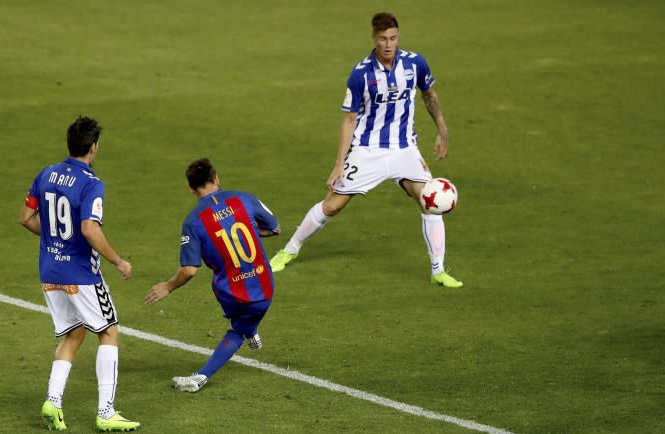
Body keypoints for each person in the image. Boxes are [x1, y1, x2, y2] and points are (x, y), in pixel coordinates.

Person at [268, 12, 461, 288]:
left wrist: (443, 131)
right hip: (367, 150)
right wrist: (339, 163)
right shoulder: (361, 74)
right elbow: (349, 119)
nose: (388, 44)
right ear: (374, 38)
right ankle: (289, 250)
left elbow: (429, 95)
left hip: (405, 149)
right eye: (383, 38)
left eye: (393, 38)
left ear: (398, 37)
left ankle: (438, 270)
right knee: (332, 205)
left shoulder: (415, 63)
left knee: (430, 201)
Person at [20, 116, 139, 431]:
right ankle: (106, 412)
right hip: (81, 274)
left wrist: (54, 240)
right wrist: (117, 260)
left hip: (50, 270)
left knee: (74, 333)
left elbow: (26, 217)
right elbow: (89, 228)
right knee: (109, 331)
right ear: (93, 147)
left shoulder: (46, 174)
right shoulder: (91, 183)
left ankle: (53, 402)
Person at [145, 158, 280, 392]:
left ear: (190, 188)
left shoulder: (193, 221)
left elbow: (189, 270)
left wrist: (167, 286)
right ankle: (251, 328)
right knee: (249, 315)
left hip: (233, 294)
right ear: (217, 178)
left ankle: (200, 377)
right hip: (265, 285)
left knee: (237, 329)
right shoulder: (243, 198)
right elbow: (274, 227)